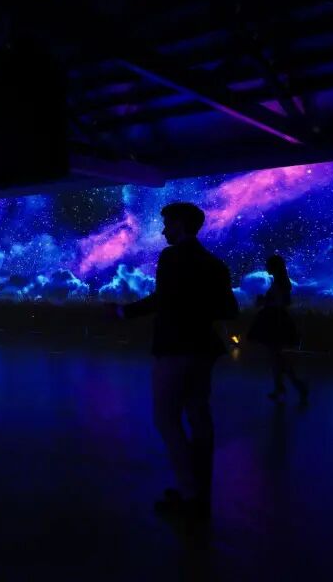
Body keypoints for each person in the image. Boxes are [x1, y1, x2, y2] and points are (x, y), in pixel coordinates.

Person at [107, 202, 239, 520]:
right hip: (204, 349)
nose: (164, 230)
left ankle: (188, 493)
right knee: (199, 417)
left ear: (179, 224)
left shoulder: (172, 257)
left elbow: (163, 300)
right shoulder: (215, 264)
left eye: (167, 224)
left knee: (166, 419)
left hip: (176, 348)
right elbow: (229, 309)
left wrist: (123, 312)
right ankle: (201, 490)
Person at [247, 255, 308, 403]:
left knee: (276, 355)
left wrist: (265, 301)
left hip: (275, 320)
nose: (266, 266)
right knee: (276, 355)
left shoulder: (281, 282)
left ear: (274, 266)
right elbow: (283, 301)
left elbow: (283, 302)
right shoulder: (280, 281)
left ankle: (292, 385)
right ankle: (285, 386)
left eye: (268, 264)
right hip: (275, 318)